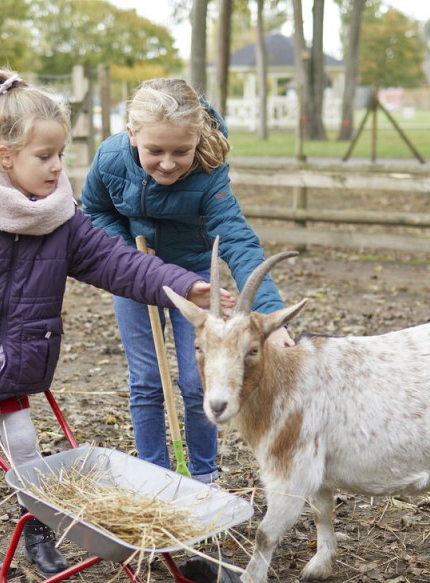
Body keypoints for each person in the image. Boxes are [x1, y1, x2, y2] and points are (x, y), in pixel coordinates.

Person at [0, 69, 230, 583]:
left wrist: (182, 287)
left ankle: (40, 530)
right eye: (44, 157)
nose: (56, 167)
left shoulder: (58, 220)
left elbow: (119, 263)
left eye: (60, 155)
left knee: (25, 445)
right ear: (5, 156)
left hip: (18, 361)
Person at [80, 78, 294, 485]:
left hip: (194, 282)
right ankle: (152, 475)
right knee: (146, 379)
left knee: (197, 378)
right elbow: (94, 210)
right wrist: (127, 253)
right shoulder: (109, 159)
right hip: (136, 274)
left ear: (197, 138)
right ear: (132, 135)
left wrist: (271, 314)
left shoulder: (210, 172)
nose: (167, 162)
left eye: (181, 151)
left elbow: (236, 238)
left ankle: (202, 477)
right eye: (154, 151)